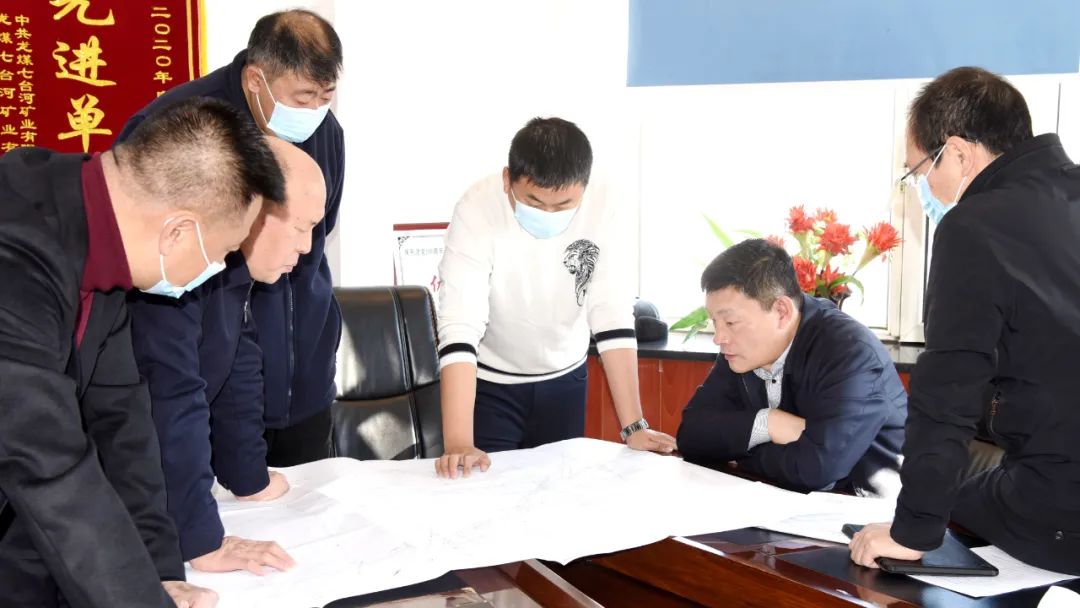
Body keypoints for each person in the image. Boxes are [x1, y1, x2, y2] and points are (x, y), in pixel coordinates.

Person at [0, 97, 284, 607]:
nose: (220, 269)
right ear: (177, 231)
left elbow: (123, 422)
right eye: (224, 252)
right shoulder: (14, 252)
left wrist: (159, 572)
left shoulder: (101, 240)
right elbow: (45, 463)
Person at [850, 67, 1080, 575]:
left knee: (952, 509)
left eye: (919, 170)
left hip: (1064, 507)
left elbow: (946, 395)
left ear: (957, 152)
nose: (924, 187)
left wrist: (912, 532)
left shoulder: (974, 227)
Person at [117, 8, 345, 467]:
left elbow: (318, 234)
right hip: (207, 389)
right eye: (303, 97)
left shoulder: (326, 133)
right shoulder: (180, 126)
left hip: (304, 384)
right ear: (257, 79)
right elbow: (145, 256)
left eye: (326, 96)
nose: (314, 112)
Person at [434, 117, 676, 479]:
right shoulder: (477, 208)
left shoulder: (607, 205)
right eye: (533, 201)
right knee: (483, 492)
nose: (548, 213)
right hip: (490, 385)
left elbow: (611, 314)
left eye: (563, 205)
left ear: (584, 189)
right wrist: (458, 442)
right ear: (507, 179)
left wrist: (634, 427)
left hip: (565, 380)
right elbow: (460, 323)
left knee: (557, 493)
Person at [130, 140, 325, 575]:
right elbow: (172, 399)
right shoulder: (178, 269)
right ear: (252, 210)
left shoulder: (232, 271)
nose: (307, 246)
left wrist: (249, 477)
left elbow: (238, 369)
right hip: (110, 488)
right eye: (300, 227)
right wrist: (202, 540)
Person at [677, 239, 907, 497]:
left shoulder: (849, 351)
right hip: (790, 502)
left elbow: (816, 470)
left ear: (782, 312)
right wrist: (768, 423)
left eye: (730, 322)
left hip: (870, 507)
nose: (719, 338)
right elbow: (691, 435)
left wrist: (741, 455)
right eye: (714, 322)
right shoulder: (741, 351)